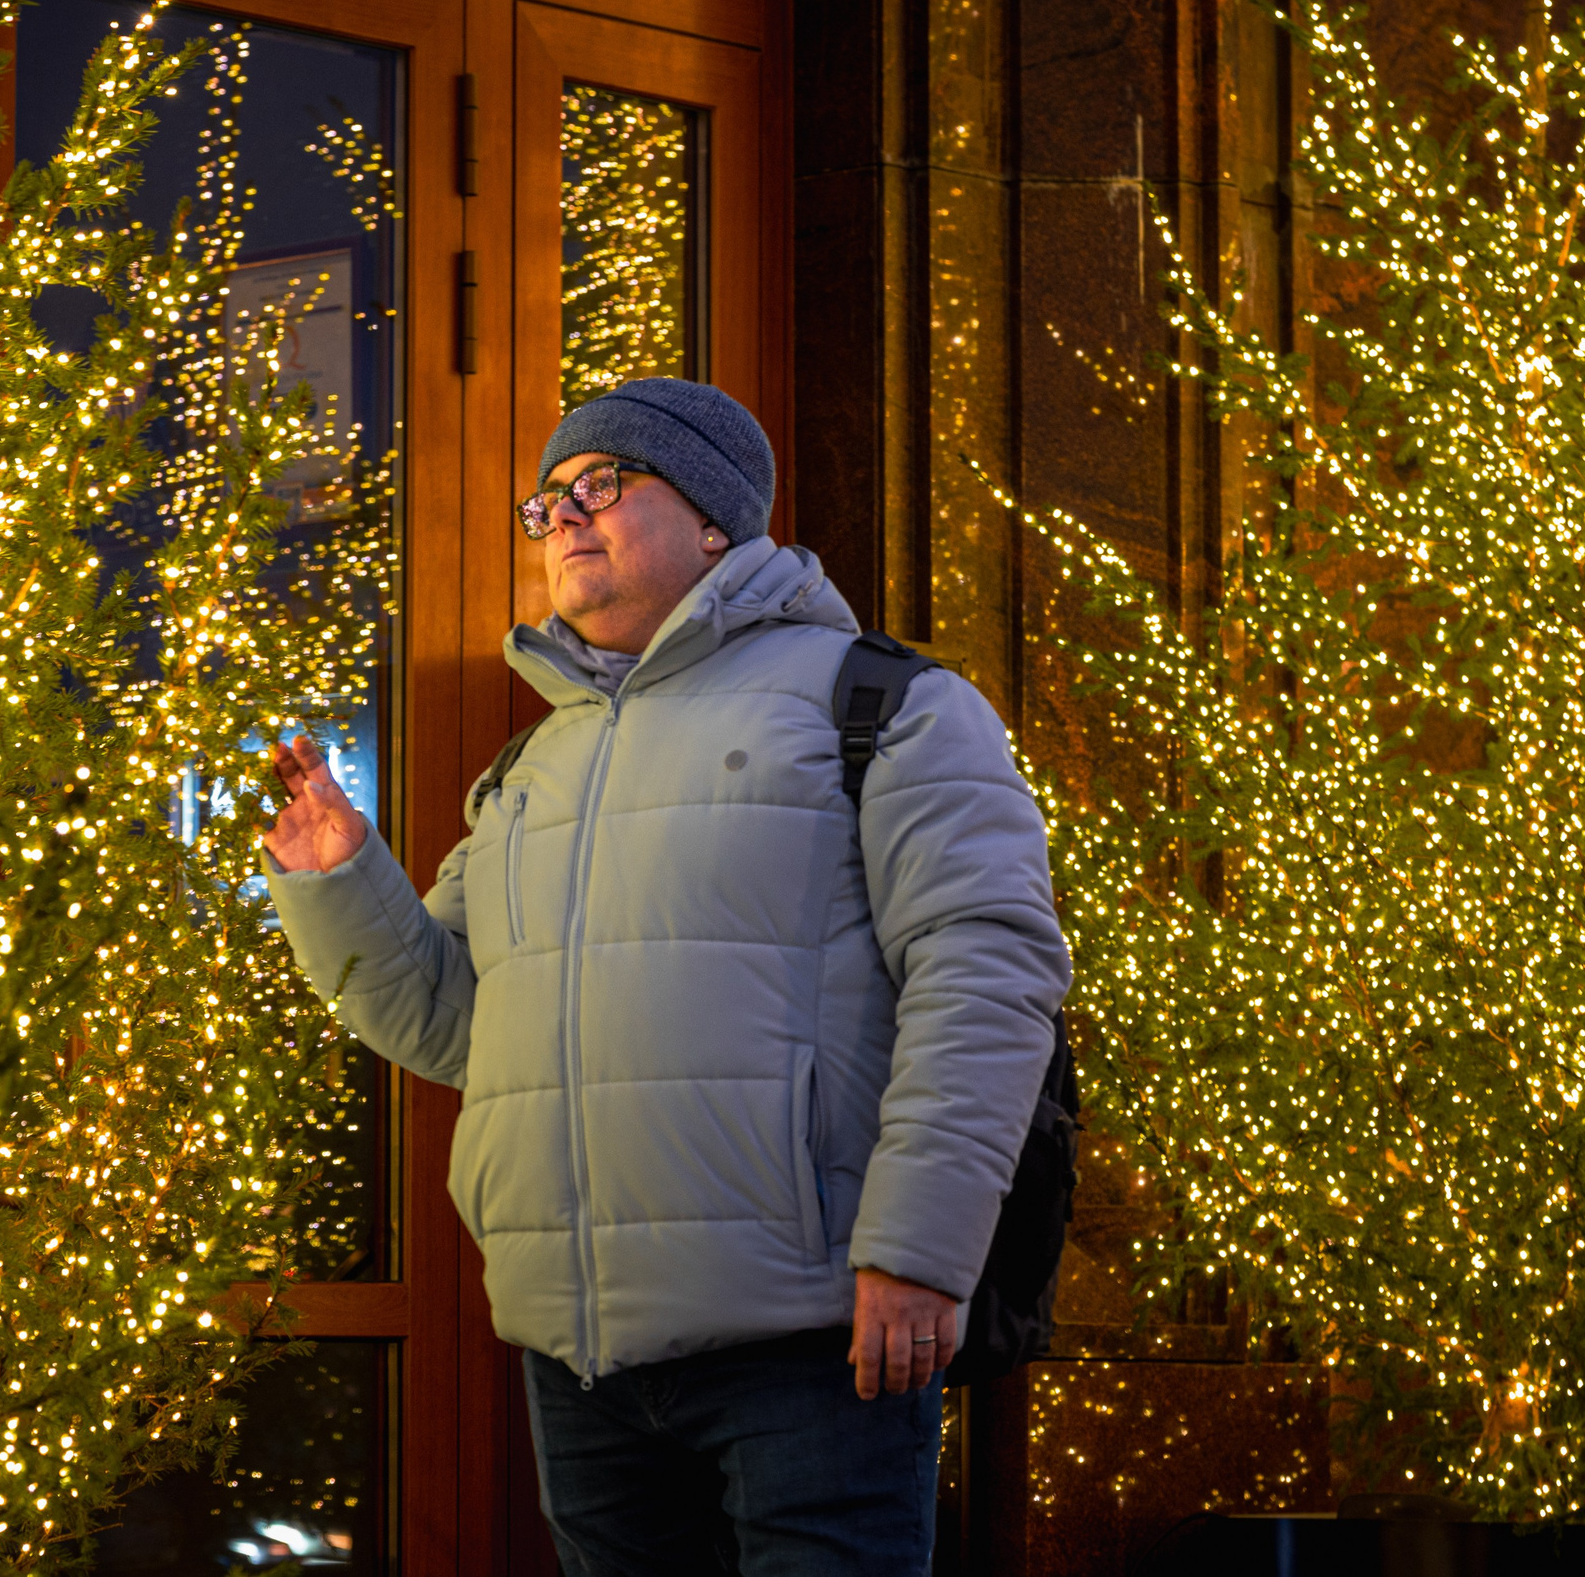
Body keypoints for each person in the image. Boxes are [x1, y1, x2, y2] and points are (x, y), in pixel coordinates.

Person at [263, 377, 1068, 1576]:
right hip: (582, 1359)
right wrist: (341, 878)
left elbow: (988, 977)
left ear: (714, 519)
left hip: (816, 1344)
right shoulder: (536, 764)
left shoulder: (887, 704)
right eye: (548, 501)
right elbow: (454, 1023)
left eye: (607, 483)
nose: (569, 515)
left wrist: (920, 1248)